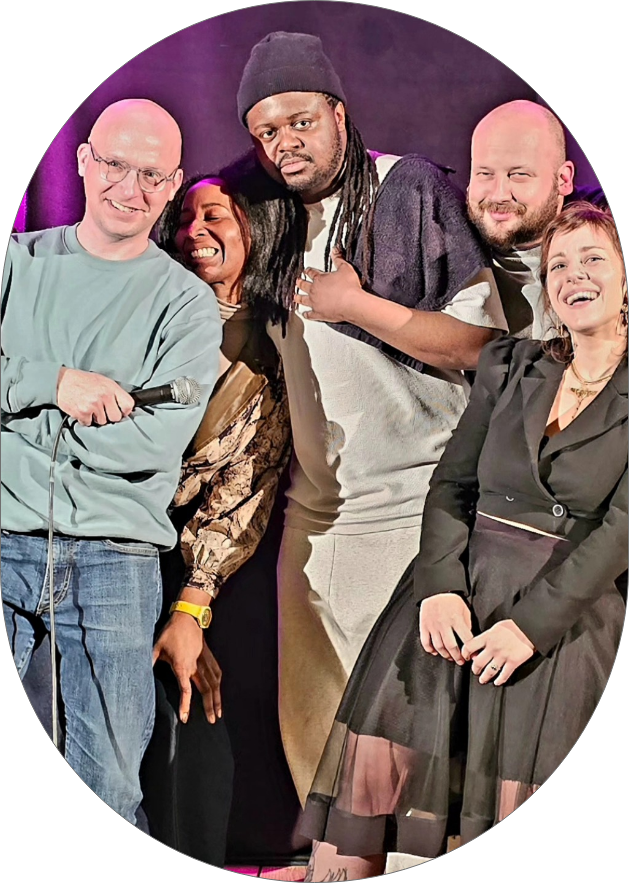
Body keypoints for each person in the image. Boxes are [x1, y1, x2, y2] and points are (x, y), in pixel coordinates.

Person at [300, 202, 627, 877]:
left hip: (558, 628)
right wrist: (440, 587)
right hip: (451, 607)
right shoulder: (511, 365)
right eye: (558, 265)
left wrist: (530, 628)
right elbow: (452, 486)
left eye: (593, 259)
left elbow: (619, 531)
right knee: (364, 808)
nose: (574, 275)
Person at [236, 30, 509, 812]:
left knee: (418, 754)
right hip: (317, 526)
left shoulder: (406, 188)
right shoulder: (271, 222)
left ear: (338, 114)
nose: (284, 143)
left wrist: (357, 306)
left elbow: (479, 346)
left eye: (299, 121)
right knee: (319, 748)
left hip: (415, 512)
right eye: (265, 131)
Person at [1, 99, 222, 825]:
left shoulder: (187, 306)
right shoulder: (17, 264)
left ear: (173, 182)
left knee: (111, 785)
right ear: (82, 162)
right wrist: (55, 384)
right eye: (115, 165)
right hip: (3, 541)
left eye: (152, 174)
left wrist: (17, 426)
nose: (131, 188)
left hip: (114, 565)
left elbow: (150, 446)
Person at [139, 163, 296, 864]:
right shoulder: (145, 308)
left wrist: (190, 607)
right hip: (112, 540)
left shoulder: (267, 346)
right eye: (184, 219)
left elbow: (247, 482)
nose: (194, 231)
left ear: (253, 233)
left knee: (193, 715)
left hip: (198, 564)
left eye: (214, 217)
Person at [466, 99, 606, 337]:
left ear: (563, 180)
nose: (499, 194)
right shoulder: (444, 239)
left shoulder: (605, 238)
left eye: (518, 175)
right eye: (485, 173)